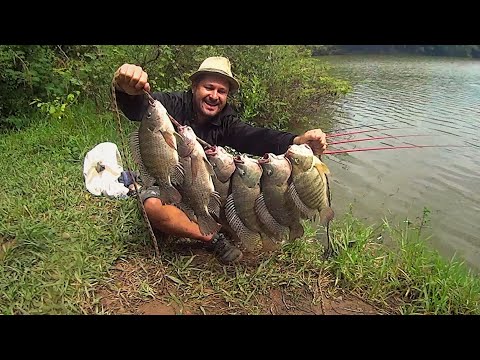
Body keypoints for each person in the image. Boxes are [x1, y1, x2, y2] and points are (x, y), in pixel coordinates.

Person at [113, 56, 328, 264]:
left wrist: (296, 140)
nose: (214, 96)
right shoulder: (170, 105)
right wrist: (126, 88)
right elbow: (138, 108)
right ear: (195, 86)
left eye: (221, 91)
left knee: (245, 195)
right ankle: (211, 238)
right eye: (209, 87)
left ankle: (215, 222)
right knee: (152, 206)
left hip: (202, 188)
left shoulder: (226, 121)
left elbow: (255, 137)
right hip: (170, 184)